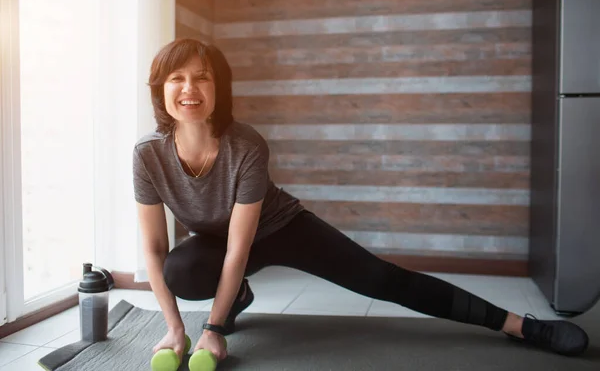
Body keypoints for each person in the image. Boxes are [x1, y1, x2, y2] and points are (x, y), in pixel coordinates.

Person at [133, 38, 589, 363]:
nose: (188, 89)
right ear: (161, 89)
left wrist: (210, 329)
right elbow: (154, 251)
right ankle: (237, 298)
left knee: (383, 279)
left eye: (201, 77)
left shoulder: (246, 145)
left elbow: (240, 248)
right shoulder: (147, 155)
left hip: (279, 230)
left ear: (218, 89)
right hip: (216, 241)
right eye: (176, 78)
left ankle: (522, 327)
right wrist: (175, 328)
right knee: (182, 269)